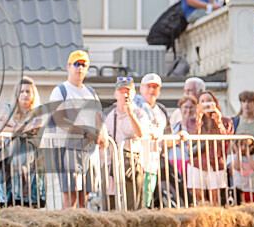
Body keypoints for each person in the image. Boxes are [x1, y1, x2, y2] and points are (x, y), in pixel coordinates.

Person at [47, 50, 106, 208]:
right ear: (68, 66)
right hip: (68, 148)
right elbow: (60, 120)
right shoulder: (60, 90)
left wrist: (102, 135)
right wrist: (86, 133)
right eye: (76, 64)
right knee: (71, 194)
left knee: (84, 195)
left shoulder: (90, 92)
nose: (80, 68)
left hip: (88, 149)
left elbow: (98, 117)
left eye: (84, 65)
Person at [0, 77, 45, 206]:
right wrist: (23, 128)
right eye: (21, 91)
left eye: (28, 91)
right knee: (8, 198)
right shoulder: (7, 108)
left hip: (31, 157)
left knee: (30, 198)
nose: (25, 94)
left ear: (33, 94)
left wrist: (12, 125)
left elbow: (35, 128)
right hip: (9, 157)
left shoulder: (38, 111)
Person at [104, 77, 147, 210]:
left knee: (133, 205)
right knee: (111, 204)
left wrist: (131, 115)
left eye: (128, 91)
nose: (125, 95)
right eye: (121, 91)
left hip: (132, 163)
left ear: (134, 93)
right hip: (112, 165)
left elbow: (141, 133)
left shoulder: (140, 113)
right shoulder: (110, 115)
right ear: (116, 94)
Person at [185, 91, 233, 205]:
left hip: (216, 162)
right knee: (198, 197)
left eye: (209, 101)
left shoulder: (226, 121)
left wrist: (218, 121)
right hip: (197, 162)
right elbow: (193, 137)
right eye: (202, 101)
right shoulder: (192, 121)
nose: (205, 104)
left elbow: (226, 139)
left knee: (216, 198)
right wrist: (199, 118)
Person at [134, 73, 170, 208]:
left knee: (147, 201)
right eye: (148, 86)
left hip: (153, 164)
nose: (151, 90)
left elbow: (167, 138)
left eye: (155, 87)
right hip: (136, 161)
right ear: (141, 88)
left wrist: (179, 137)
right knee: (136, 201)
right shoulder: (134, 107)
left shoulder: (162, 111)